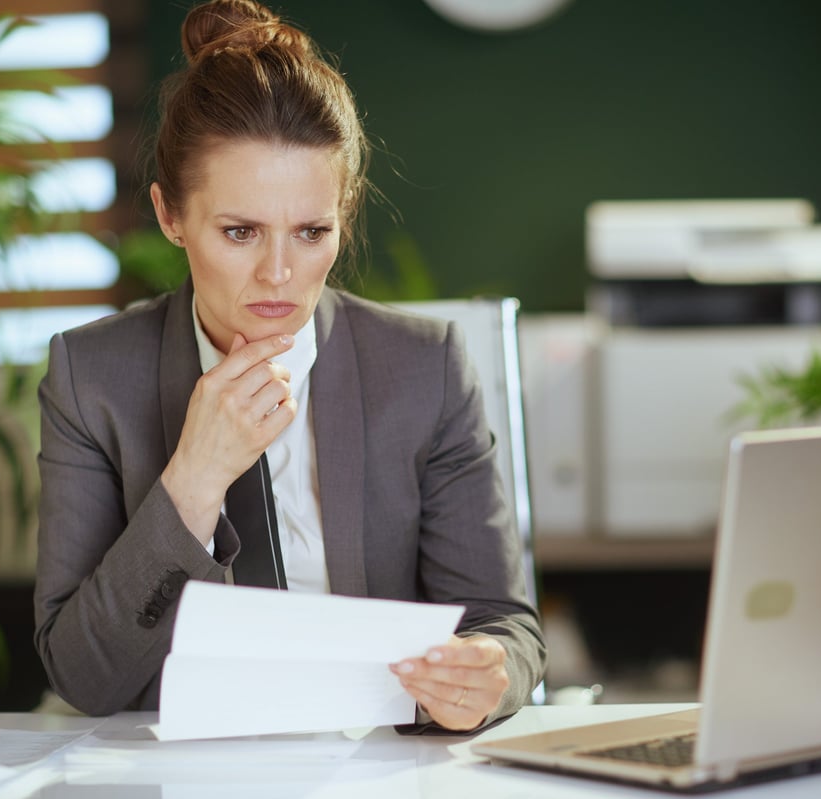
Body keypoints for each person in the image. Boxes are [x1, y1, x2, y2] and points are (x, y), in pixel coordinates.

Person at [32, 0, 545, 733]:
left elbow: (507, 628)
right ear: (171, 216)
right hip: (172, 772)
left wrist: (486, 672)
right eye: (240, 231)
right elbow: (83, 675)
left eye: (311, 231)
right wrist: (196, 478)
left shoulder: (423, 369)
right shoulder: (91, 377)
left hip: (383, 767)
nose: (278, 272)